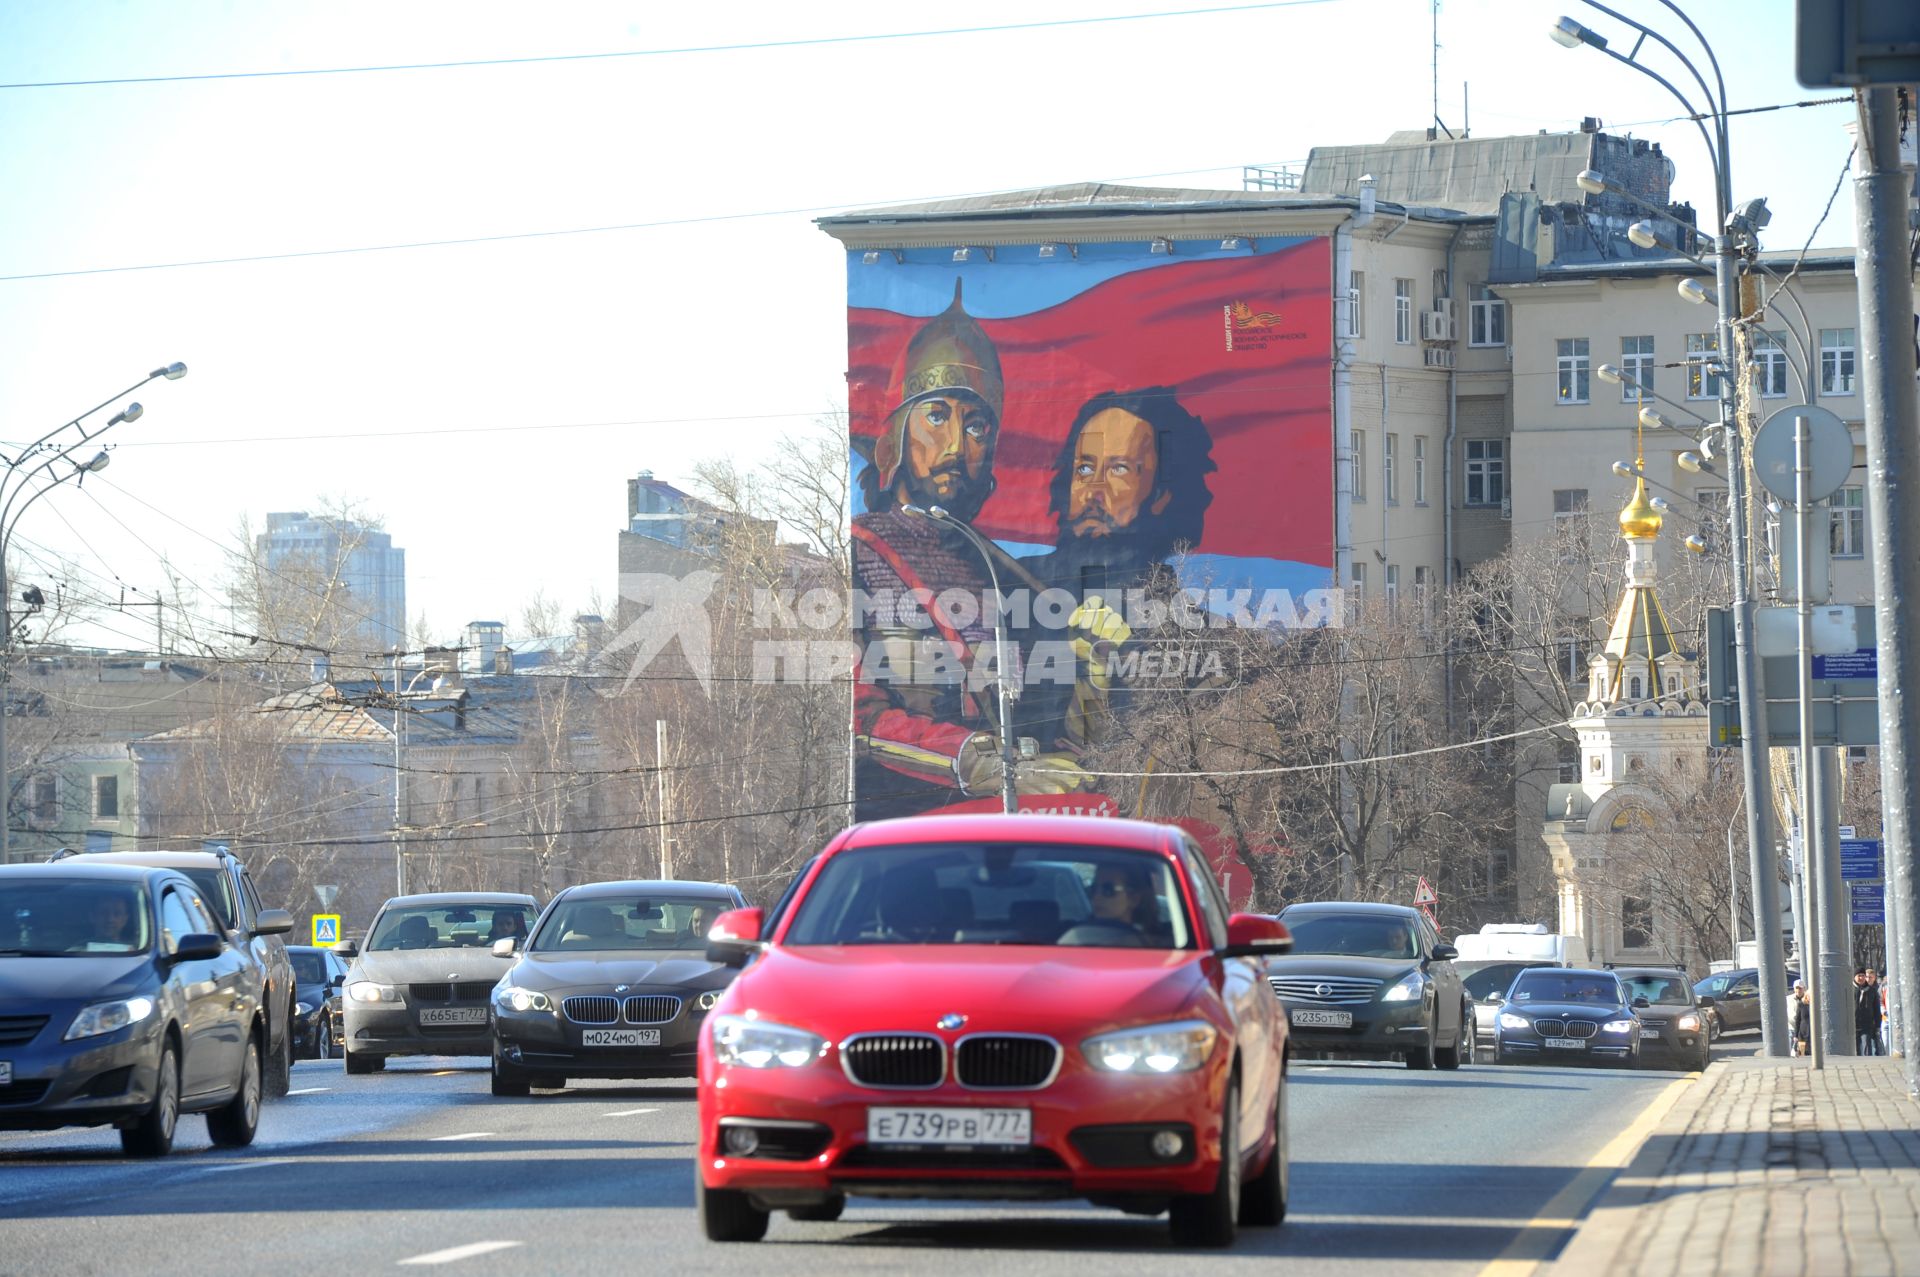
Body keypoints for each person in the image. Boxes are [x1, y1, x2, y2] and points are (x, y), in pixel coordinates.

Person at [851, 281, 1092, 813]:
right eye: (937, 416)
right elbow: (856, 717)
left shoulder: (1004, 573)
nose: (958, 446)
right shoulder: (860, 554)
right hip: (906, 827)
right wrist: (969, 759)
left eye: (977, 424)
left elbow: (1048, 729)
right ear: (897, 431)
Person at [1089, 862, 1156, 933]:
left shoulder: (1142, 941)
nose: (1096, 897)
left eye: (1108, 889)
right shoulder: (1081, 932)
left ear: (1134, 899)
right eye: (1093, 888)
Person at [1856, 967, 1885, 1056]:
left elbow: (1876, 1009)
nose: (1861, 978)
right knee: (1855, 1051)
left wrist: (1877, 1026)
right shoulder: (1849, 989)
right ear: (1854, 977)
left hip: (1867, 1025)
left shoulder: (1872, 990)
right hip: (1852, 1025)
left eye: (1863, 976)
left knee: (1867, 1049)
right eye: (1859, 976)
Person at [1791, 980, 1812, 1056]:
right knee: (1802, 1055)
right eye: (1808, 995)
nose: (1809, 997)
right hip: (1802, 1034)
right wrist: (1796, 1036)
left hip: (1813, 1035)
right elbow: (1798, 1020)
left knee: (1811, 1054)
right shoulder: (1801, 1004)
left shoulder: (1815, 1005)